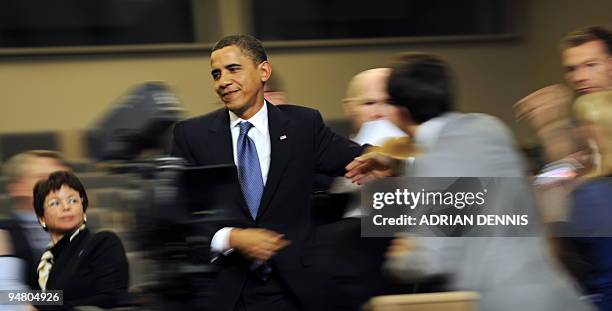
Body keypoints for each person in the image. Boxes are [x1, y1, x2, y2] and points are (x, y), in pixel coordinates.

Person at [346, 53, 594, 311]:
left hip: (507, 300)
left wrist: (403, 255)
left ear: (398, 111)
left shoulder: (434, 163)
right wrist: (398, 160)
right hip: (555, 291)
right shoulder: (488, 127)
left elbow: (433, 256)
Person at [171, 34, 364, 311]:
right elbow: (178, 216)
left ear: (264, 71)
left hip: (291, 289)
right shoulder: (192, 136)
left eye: (233, 69)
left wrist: (388, 156)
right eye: (216, 74)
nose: (223, 81)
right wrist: (230, 237)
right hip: (224, 291)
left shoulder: (303, 125)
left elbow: (358, 160)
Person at [33, 171, 129, 310]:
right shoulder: (44, 262)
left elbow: (111, 298)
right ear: (42, 218)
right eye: (55, 203)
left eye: (73, 200)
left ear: (83, 211)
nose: (66, 207)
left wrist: (43, 306)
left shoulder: (102, 242)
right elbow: (37, 299)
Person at [0, 151, 68, 290]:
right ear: (17, 188)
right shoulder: (3, 234)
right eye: (45, 178)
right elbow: (6, 298)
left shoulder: (85, 231)